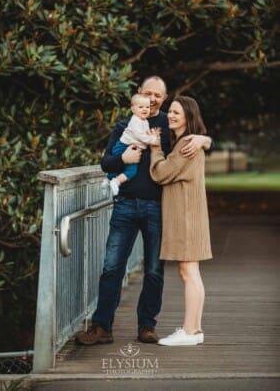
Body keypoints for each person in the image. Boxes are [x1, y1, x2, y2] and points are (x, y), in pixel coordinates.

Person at [75, 76, 212, 346]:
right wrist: (122, 159)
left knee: (153, 271)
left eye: (158, 96)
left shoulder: (168, 123)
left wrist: (205, 138)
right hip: (125, 205)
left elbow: (192, 138)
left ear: (164, 98)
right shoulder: (124, 125)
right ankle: (102, 327)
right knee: (112, 267)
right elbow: (106, 163)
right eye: (147, 93)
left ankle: (147, 326)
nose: (151, 99)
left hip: (158, 208)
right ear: (139, 93)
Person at [149, 96, 212, 346]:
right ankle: (195, 330)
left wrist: (155, 147)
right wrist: (205, 139)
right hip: (189, 214)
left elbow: (162, 173)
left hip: (186, 216)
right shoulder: (190, 142)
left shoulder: (187, 143)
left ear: (188, 116)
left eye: (176, 112)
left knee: (188, 272)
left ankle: (188, 331)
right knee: (191, 272)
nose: (171, 116)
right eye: (170, 112)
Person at [104, 93, 160, 196]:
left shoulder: (145, 122)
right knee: (131, 171)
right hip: (123, 146)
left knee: (124, 167)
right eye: (141, 107)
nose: (145, 109)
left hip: (130, 147)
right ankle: (116, 181)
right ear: (133, 109)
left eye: (147, 107)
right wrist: (152, 140)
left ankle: (108, 180)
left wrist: (153, 136)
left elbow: (146, 134)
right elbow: (140, 136)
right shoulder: (135, 121)